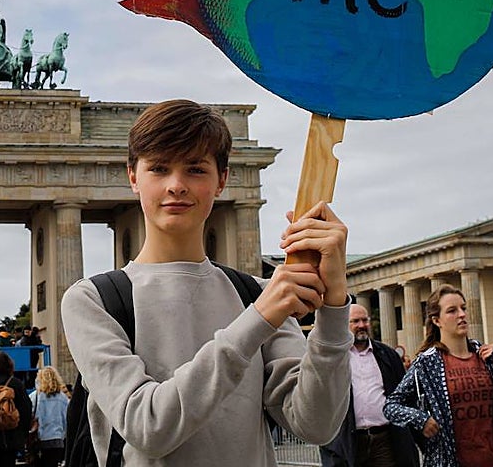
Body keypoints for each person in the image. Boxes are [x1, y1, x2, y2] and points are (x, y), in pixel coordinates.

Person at [60, 99, 353, 467]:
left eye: (196, 169)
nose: (177, 186)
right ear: (133, 176)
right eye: (160, 169)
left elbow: (316, 425)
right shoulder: (92, 301)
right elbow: (148, 426)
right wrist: (257, 320)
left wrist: (334, 306)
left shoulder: (257, 294)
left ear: (222, 180)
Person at [383, 284, 493, 467]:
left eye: (463, 308)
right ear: (436, 320)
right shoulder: (426, 364)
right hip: (451, 461)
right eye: (452, 311)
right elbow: (391, 405)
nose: (462, 314)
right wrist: (421, 419)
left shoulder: (489, 357)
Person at [320, 304, 418, 467]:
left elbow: (406, 396)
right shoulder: (333, 357)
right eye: (355, 321)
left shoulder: (387, 355)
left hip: (385, 440)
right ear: (345, 324)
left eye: (365, 320)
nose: (361, 325)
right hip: (350, 442)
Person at [27, 366, 69, 467]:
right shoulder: (63, 398)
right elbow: (66, 420)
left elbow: (30, 416)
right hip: (57, 439)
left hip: (40, 439)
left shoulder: (35, 396)